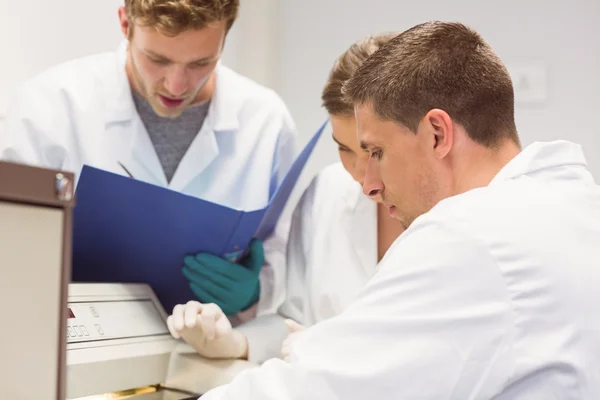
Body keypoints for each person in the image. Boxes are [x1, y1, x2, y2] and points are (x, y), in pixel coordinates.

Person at [195, 21, 600, 399]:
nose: (368, 181)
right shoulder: (570, 201)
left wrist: (324, 351)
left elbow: (317, 389)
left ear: (437, 134)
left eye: (376, 151)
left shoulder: (468, 236)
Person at [0, 0, 297, 318]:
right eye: (158, 59)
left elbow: (283, 250)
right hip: (79, 344)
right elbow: (10, 242)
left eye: (201, 62)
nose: (177, 85)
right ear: (125, 25)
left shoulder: (266, 121)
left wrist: (255, 291)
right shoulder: (47, 107)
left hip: (214, 351)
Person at [166, 33, 406, 363]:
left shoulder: (462, 212)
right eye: (344, 149)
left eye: (374, 152)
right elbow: (296, 322)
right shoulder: (327, 192)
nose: (363, 180)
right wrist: (234, 342)